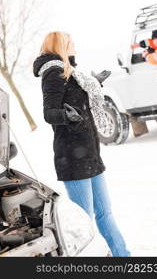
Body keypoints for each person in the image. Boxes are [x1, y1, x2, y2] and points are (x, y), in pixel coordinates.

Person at [33, 31, 130, 257]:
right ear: (60, 46)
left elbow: (76, 98)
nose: (75, 46)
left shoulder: (73, 74)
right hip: (72, 157)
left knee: (105, 212)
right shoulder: (53, 73)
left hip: (90, 154)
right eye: (71, 43)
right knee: (84, 220)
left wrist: (94, 83)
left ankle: (123, 257)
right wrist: (67, 116)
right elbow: (49, 113)